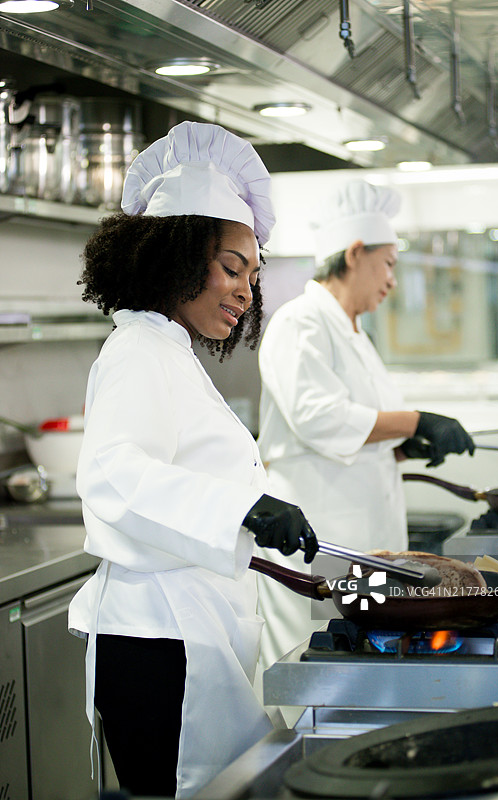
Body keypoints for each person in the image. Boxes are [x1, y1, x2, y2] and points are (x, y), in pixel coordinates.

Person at [67, 120, 318, 800]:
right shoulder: (138, 353)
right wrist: (245, 507)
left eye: (253, 275)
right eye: (231, 268)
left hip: (187, 632)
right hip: (158, 643)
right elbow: (113, 475)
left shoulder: (167, 352)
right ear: (171, 258)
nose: (244, 291)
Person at [255, 179, 475, 672]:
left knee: (354, 666)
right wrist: (417, 420)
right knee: (308, 664)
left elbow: (359, 431)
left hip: (362, 539)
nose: (393, 280)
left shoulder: (354, 332)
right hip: (316, 538)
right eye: (389, 263)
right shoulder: (301, 322)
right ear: (355, 252)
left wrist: (403, 447)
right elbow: (317, 416)